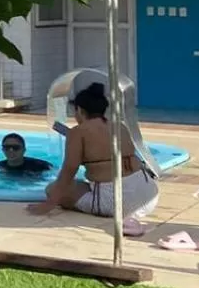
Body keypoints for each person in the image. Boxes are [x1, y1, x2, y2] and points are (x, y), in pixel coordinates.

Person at [30, 83, 159, 219]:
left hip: (118, 203)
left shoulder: (78, 132)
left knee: (52, 189)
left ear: (80, 110)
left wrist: (50, 203)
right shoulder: (120, 126)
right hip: (148, 195)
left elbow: (69, 169)